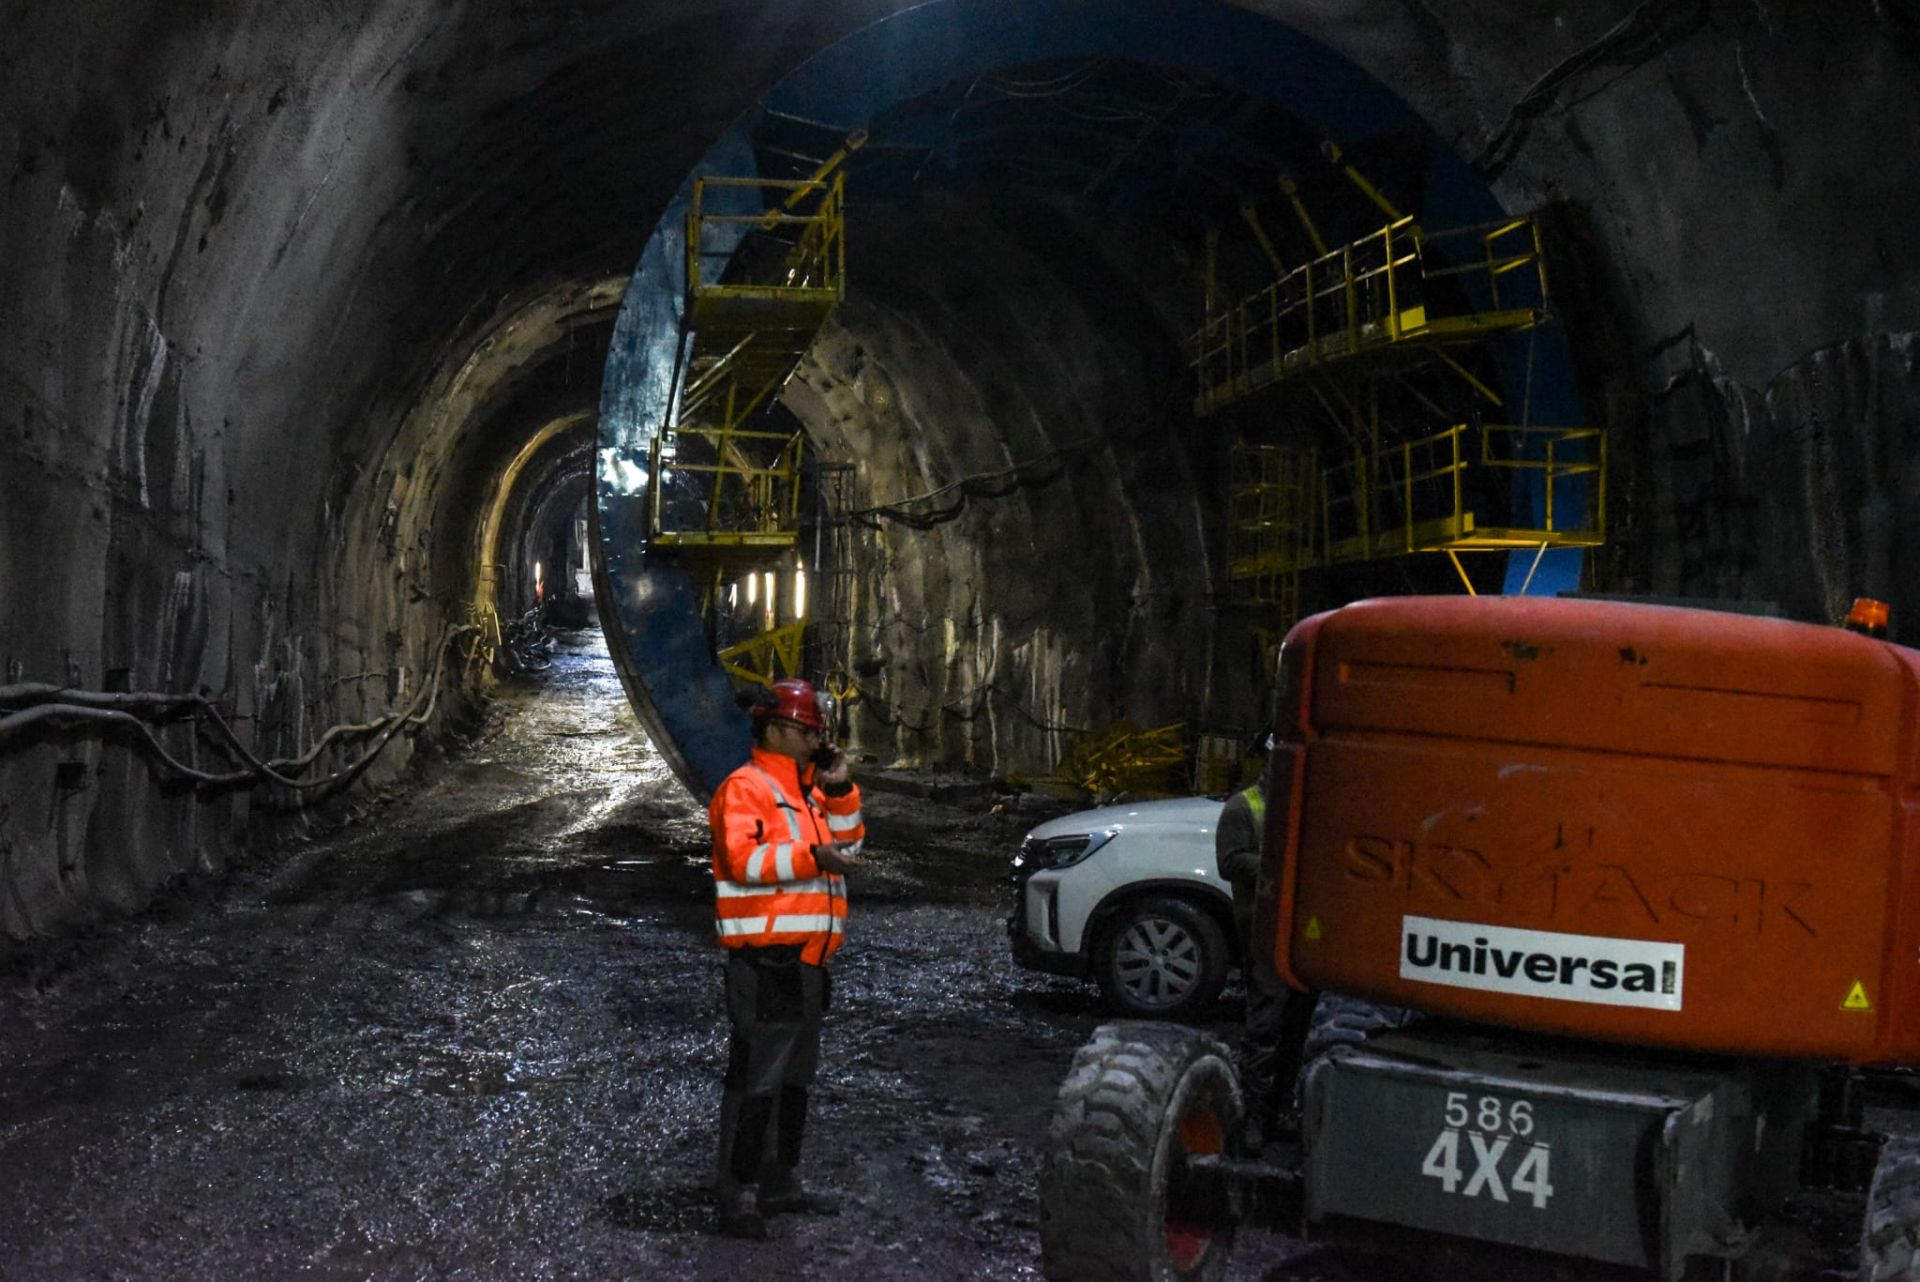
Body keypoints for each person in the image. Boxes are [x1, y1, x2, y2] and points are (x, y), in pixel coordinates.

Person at [708, 678, 866, 1239]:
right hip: (766, 959)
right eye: (806, 732)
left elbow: (849, 844)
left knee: (794, 1079)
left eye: (816, 734)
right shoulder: (745, 788)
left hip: (808, 960)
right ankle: (738, 1194)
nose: (813, 742)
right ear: (773, 729)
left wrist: (841, 790)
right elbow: (744, 860)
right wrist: (813, 854)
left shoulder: (808, 792)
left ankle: (779, 1182)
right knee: (757, 1079)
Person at [1215, 729, 1314, 1153]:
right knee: (1265, 1026)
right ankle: (1252, 1117)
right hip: (1262, 930)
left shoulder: (1305, 806)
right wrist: (1280, 866)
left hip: (1301, 937)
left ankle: (1279, 1113)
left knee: (1297, 1028)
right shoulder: (1244, 807)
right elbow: (1229, 862)